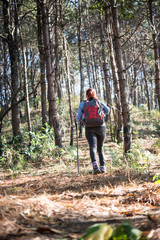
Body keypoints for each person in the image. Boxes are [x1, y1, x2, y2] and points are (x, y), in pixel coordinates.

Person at [76, 88, 110, 174]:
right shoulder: (99, 102)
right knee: (100, 147)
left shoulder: (82, 104)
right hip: (101, 126)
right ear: (95, 95)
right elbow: (108, 110)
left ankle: (95, 166)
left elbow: (78, 119)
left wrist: (76, 117)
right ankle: (103, 167)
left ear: (86, 95)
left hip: (89, 128)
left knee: (92, 147)